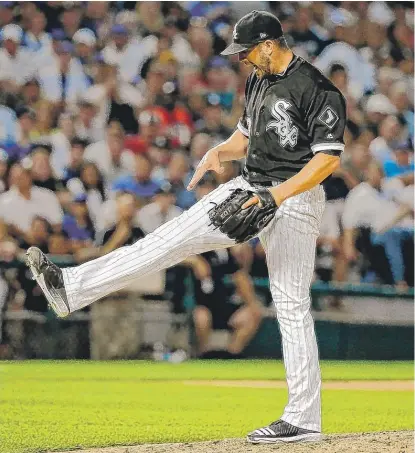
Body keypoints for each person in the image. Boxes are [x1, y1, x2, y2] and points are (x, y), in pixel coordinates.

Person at [26, 10, 346, 444]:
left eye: (248, 50)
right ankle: (69, 288)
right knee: (163, 242)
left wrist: (279, 194)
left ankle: (303, 418)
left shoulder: (318, 89)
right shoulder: (258, 80)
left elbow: (327, 160)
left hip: (295, 200)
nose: (243, 59)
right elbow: (245, 138)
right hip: (248, 185)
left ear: (270, 44)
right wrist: (221, 151)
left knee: (290, 304)